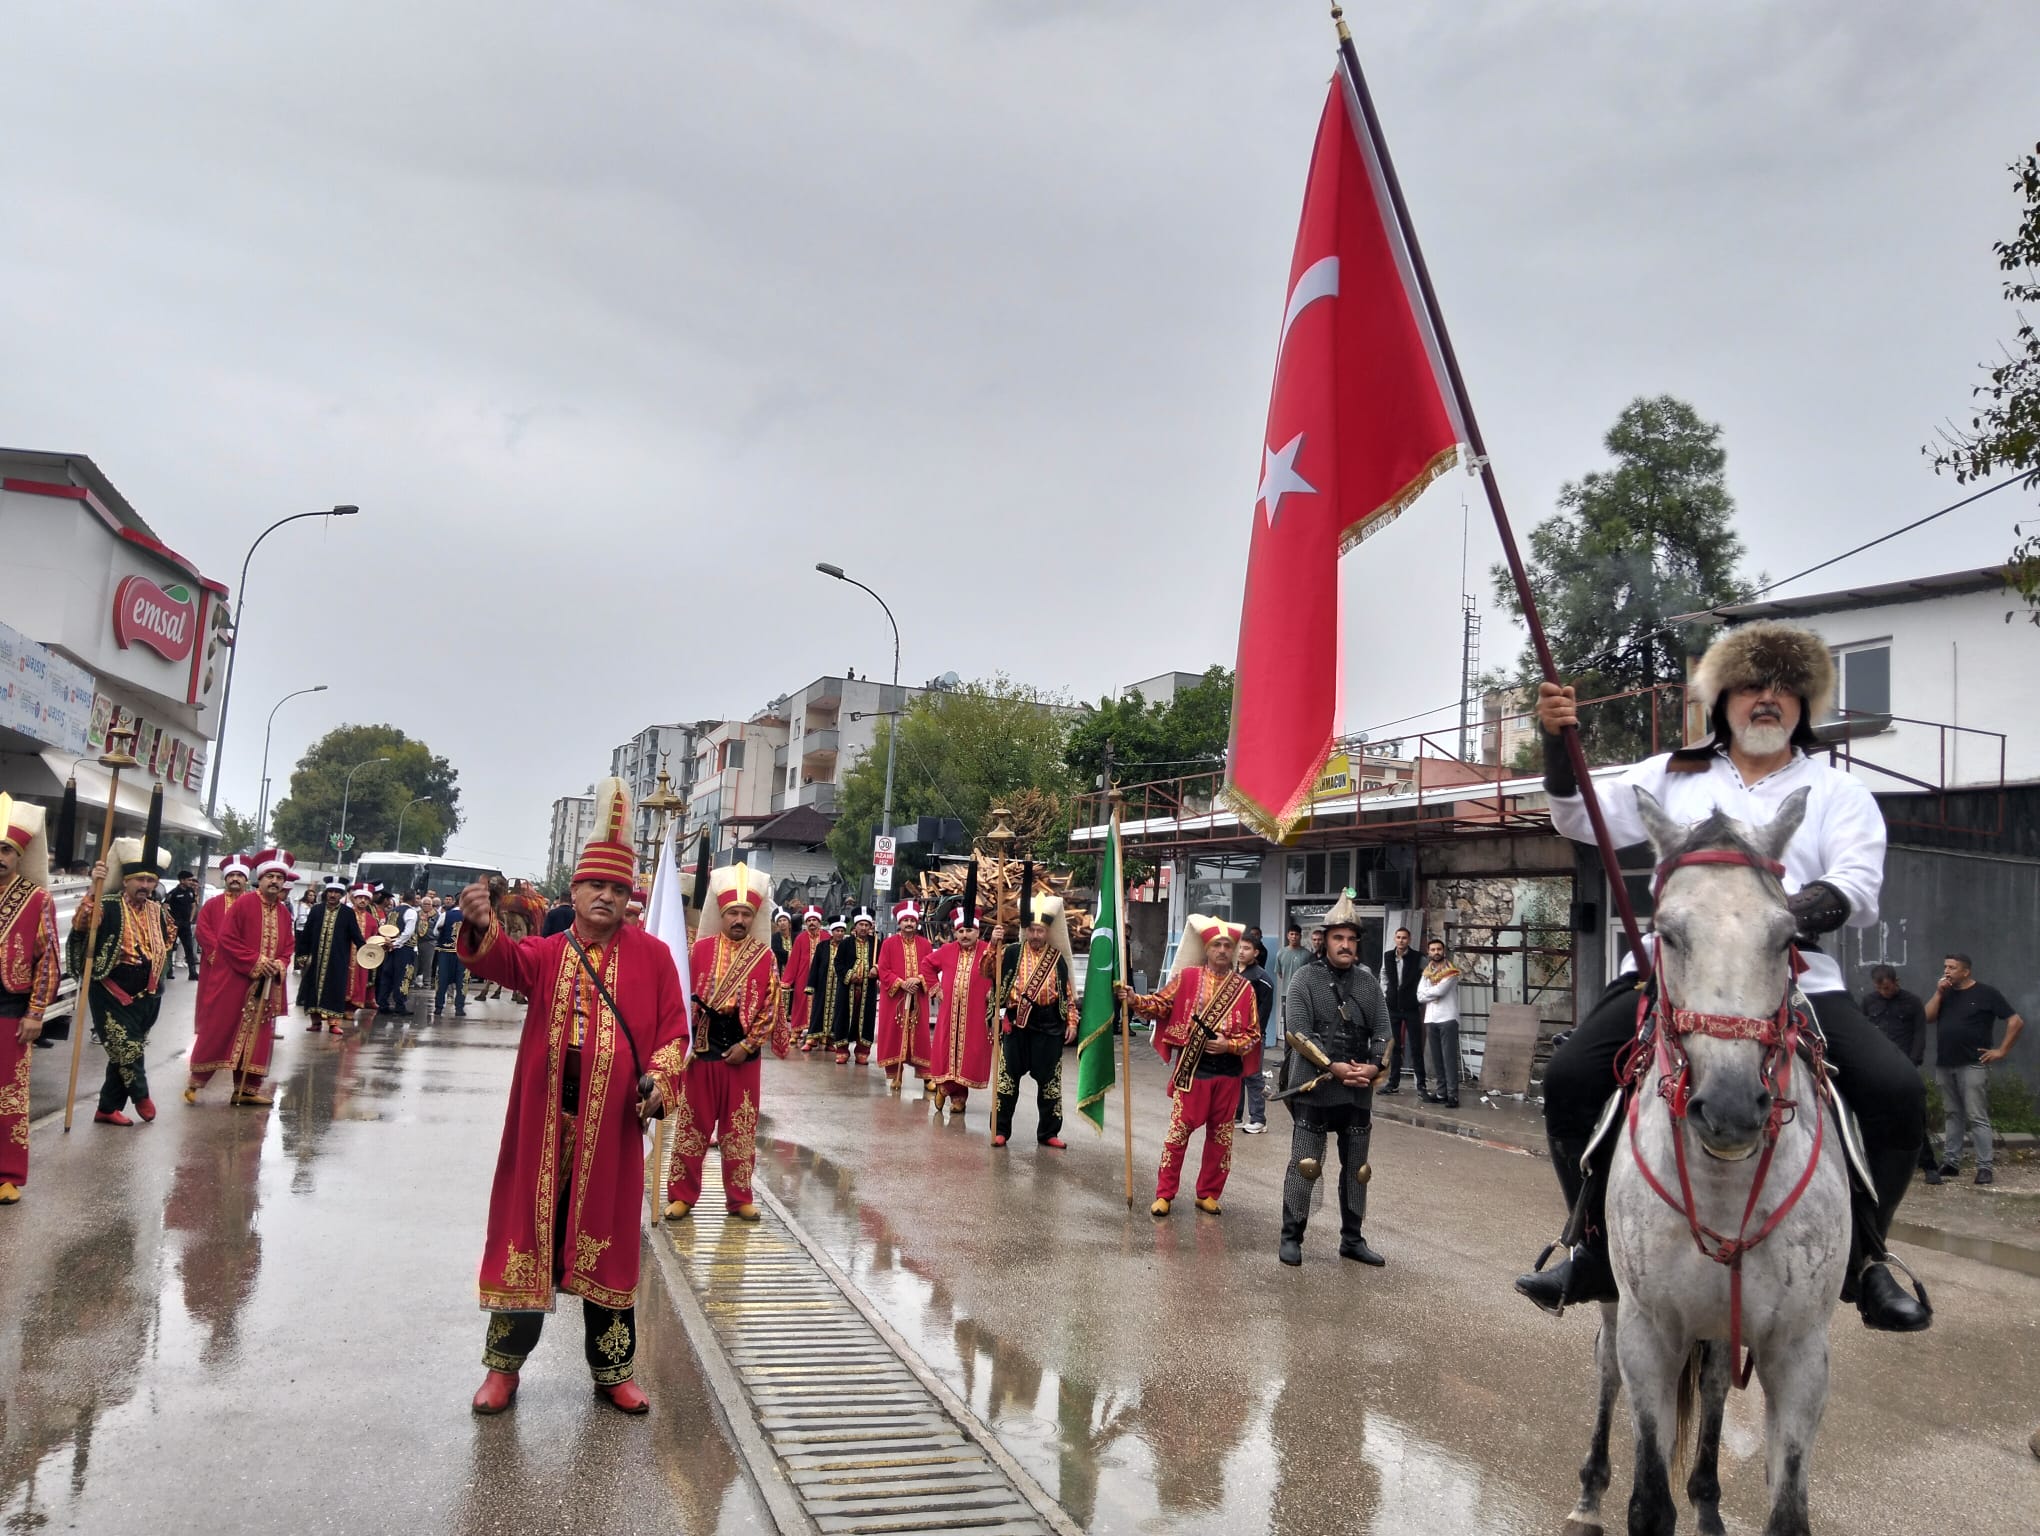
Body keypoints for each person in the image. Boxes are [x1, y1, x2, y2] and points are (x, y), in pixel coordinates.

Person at [1520, 622, 1931, 1331]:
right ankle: (1591, 1249)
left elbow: (1855, 888)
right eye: (1750, 686)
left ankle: (1867, 1260)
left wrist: (1761, 918)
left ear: (1803, 705)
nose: (1767, 699)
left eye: (1783, 688)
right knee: (1568, 1081)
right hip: (1667, 976)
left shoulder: (1837, 792)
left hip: (1797, 977)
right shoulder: (1670, 774)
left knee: (1897, 1092)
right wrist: (1560, 743)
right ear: (1724, 702)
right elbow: (1577, 816)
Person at [458, 777, 689, 1417]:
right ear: (576, 891)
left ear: (630, 899)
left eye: (620, 890)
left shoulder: (655, 959)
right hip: (543, 1126)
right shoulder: (549, 954)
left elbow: (674, 1033)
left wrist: (660, 1083)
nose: (608, 898)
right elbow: (501, 961)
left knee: (606, 1247)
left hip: (610, 1127)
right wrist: (479, 929)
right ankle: (502, 1371)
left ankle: (613, 1371)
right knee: (526, 1240)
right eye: (598, 887)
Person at [665, 862, 786, 1222]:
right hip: (703, 1050)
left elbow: (771, 1003)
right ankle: (682, 1195)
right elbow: (681, 996)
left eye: (746, 914)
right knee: (692, 1125)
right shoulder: (699, 950)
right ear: (721, 913)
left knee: (740, 1129)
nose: (739, 919)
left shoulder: (765, 956)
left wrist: (749, 1045)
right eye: (733, 912)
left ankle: (739, 1198)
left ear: (754, 917)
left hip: (742, 1050)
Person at [1277, 891, 1389, 1266]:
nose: (1345, 944)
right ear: (1324, 939)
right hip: (1316, 1084)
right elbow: (1296, 1031)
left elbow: (1383, 1032)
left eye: (1351, 938)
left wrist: (1373, 1067)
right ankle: (1292, 1236)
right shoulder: (1305, 979)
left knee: (1358, 1169)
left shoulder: (1368, 983)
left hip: (1357, 1089)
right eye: (1338, 937)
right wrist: (1333, 1067)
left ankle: (1352, 1240)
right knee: (1305, 1164)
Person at [1122, 915, 1260, 1216]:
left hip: (1229, 1073)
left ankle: (1208, 1193)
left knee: (1221, 1138)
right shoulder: (1188, 978)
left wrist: (1229, 1045)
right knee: (1178, 1135)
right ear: (1206, 949)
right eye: (1216, 945)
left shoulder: (1245, 989)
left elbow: (1253, 1035)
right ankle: (1164, 1194)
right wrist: (1134, 1000)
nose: (1222, 950)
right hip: (1194, 1070)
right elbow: (1160, 1004)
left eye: (1227, 945)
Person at [68, 838, 175, 1126]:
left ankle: (106, 1108)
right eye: (140, 878)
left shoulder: (157, 910)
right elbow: (81, 924)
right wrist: (94, 887)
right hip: (110, 990)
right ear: (126, 880)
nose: (146, 885)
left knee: (123, 1052)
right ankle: (141, 1095)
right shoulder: (108, 903)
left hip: (148, 994)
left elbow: (169, 939)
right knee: (126, 1048)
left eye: (151, 880)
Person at [186, 850, 296, 1106]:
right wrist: (257, 962)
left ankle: (247, 1089)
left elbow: (288, 945)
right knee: (221, 1027)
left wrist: (280, 963)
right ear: (261, 878)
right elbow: (227, 939)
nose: (275, 882)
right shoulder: (244, 904)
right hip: (236, 979)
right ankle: (196, 1079)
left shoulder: (283, 912)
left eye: (280, 877)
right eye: (270, 876)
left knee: (257, 1034)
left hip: (266, 984)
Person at [0, 795, 61, 1203]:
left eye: (5, 849)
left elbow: (49, 960)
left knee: (8, 1095)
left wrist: (37, 1012)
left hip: (9, 1008)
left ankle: (7, 1174)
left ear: (19, 854)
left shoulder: (37, 898)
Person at [1925, 952, 2025, 1188]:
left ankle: (1984, 1166)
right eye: (1945, 966)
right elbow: (1928, 1017)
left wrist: (2001, 1050)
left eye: (1952, 967)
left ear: (1966, 971)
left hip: (1972, 1063)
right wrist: (1939, 992)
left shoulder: (1986, 993)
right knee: (1952, 1114)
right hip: (1945, 1062)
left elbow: (2015, 1021)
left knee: (1976, 1116)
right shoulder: (1945, 993)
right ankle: (1951, 1162)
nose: (1947, 971)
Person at [993, 895, 1077, 1150]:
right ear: (1025, 930)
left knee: (1050, 1082)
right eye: (1032, 929)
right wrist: (992, 944)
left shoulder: (1057, 958)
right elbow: (988, 971)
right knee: (1007, 1080)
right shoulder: (1011, 953)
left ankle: (1048, 1132)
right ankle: (1000, 1130)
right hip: (1017, 1023)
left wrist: (1072, 1021)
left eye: (1040, 930)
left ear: (1048, 931)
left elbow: (1067, 993)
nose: (1036, 934)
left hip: (1049, 1024)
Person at [930, 908, 1001, 1117]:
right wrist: (936, 989)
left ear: (978, 932)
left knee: (970, 1053)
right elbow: (927, 965)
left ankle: (949, 1091)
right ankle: (955, 1095)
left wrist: (993, 990)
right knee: (947, 1050)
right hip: (949, 1012)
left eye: (969, 930)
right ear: (954, 933)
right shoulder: (946, 950)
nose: (965, 935)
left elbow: (1000, 971)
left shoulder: (988, 950)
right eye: (960, 931)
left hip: (975, 1013)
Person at [875, 899, 936, 1097]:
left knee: (921, 1036)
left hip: (918, 997)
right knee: (894, 1034)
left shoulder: (926, 944)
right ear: (899, 923)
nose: (909, 923)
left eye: (912, 920)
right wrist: (901, 983)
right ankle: (896, 1074)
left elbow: (930, 969)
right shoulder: (888, 943)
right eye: (905, 920)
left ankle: (927, 1076)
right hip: (895, 998)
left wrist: (918, 980)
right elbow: (883, 969)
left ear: (917, 922)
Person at [297, 877, 368, 1033]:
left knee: (334, 989)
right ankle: (315, 1022)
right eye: (330, 892)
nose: (333, 895)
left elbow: (356, 935)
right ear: (326, 893)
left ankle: (334, 1023)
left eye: (336, 892)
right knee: (313, 990)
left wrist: (367, 950)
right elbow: (307, 933)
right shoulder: (316, 910)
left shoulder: (347, 913)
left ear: (341, 894)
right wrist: (302, 955)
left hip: (338, 960)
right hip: (316, 959)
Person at [825, 909, 880, 1065]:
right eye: (861, 924)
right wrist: (849, 975)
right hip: (847, 989)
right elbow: (838, 963)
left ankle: (862, 1051)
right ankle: (842, 1050)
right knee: (843, 1017)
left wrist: (877, 968)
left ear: (870, 926)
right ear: (855, 926)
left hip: (867, 989)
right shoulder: (846, 943)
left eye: (866, 925)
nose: (863, 928)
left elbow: (883, 960)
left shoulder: (876, 942)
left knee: (865, 1020)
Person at [1378, 927, 1426, 1099]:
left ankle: (1421, 1085)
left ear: (1409, 939)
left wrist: (1420, 997)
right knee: (1394, 1047)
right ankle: (1393, 1083)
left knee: (1415, 1046)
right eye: (1398, 937)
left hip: (1411, 1007)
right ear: (1394, 938)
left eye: (1404, 938)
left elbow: (1426, 976)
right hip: (1393, 1007)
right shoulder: (1388, 956)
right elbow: (1383, 974)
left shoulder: (1418, 957)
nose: (1401, 940)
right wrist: (1386, 993)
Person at [1235, 933, 1275, 1133]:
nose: (1241, 951)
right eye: (1240, 947)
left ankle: (1259, 1119)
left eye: (1247, 948)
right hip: (1232, 1034)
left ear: (1256, 952)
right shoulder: (1231, 973)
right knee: (1236, 1075)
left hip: (1253, 1034)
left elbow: (1263, 1012)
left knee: (1252, 1075)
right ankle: (1236, 1116)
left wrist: (1255, 1034)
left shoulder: (1261, 979)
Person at [1417, 938, 1462, 1108]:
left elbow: (1441, 991)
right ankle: (1441, 1092)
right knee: (1437, 1058)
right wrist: (1431, 994)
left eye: (1439, 949)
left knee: (1449, 1058)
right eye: (1433, 949)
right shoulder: (1427, 972)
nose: (1436, 952)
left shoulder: (1451, 971)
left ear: (1443, 951)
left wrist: (1429, 993)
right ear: (1429, 952)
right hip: (1431, 1018)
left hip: (1448, 1018)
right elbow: (1419, 996)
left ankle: (1453, 1095)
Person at [785, 907, 825, 1052]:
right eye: (809, 920)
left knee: (819, 1005)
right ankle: (796, 1031)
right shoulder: (800, 938)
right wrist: (788, 980)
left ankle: (818, 1035)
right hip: (803, 977)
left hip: (821, 979)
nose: (812, 923)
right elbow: (794, 960)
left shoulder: (826, 937)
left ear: (819, 922)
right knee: (800, 1004)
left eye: (814, 920)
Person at [805, 916, 845, 1052]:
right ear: (832, 932)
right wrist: (810, 985)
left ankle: (830, 1041)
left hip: (839, 986)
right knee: (818, 1011)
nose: (839, 933)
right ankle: (811, 1040)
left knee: (836, 1013)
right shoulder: (822, 946)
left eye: (842, 930)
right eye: (837, 930)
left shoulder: (846, 947)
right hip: (823, 985)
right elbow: (815, 966)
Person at [377, 888, 418, 1016]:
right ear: (412, 899)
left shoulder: (393, 911)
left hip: (390, 947)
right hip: (404, 948)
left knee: (388, 975)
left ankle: (382, 1003)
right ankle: (400, 1005)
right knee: (403, 976)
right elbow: (408, 931)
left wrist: (389, 943)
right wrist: (397, 943)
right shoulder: (411, 912)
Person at [432, 898, 468, 1017]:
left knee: (442, 980)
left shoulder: (445, 915)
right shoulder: (472, 917)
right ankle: (459, 1008)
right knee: (462, 981)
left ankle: (438, 1007)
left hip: (446, 951)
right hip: (463, 954)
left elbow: (435, 932)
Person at [1273, 924, 1310, 1037]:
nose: (1294, 937)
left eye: (1296, 934)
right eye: (1292, 934)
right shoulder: (1281, 953)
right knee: (1287, 1024)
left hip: (1303, 994)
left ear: (1300, 936)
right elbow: (1280, 973)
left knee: (1301, 1021)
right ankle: (1287, 1051)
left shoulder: (1307, 954)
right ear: (1287, 936)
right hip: (1286, 994)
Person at [165, 869, 201, 980]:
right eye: (189, 880)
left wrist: (190, 919)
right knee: (170, 948)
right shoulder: (173, 893)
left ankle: (193, 973)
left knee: (189, 948)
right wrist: (171, 920)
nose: (191, 882)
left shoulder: (190, 891)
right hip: (175, 924)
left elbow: (194, 905)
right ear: (182, 880)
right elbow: (165, 907)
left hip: (186, 925)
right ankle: (169, 971)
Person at [414, 892, 441, 997]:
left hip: (430, 941)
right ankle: (413, 980)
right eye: (425, 904)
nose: (427, 906)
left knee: (428, 963)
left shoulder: (436, 915)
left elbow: (439, 928)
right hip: (417, 940)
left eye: (429, 904)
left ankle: (427, 982)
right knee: (416, 962)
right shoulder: (417, 914)